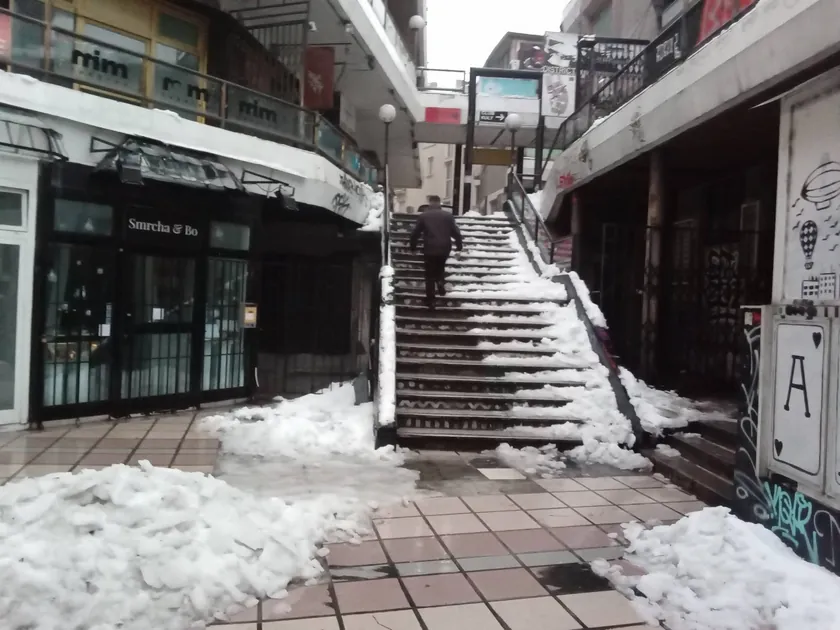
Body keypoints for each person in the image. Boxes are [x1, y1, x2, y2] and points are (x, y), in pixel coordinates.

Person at [409, 195, 463, 309]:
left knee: (429, 275)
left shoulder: (424, 216)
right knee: (440, 266)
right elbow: (456, 233)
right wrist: (459, 247)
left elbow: (416, 233)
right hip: (444, 248)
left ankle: (431, 301)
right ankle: (440, 281)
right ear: (440, 203)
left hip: (430, 248)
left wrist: (413, 247)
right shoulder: (448, 216)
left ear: (430, 203)